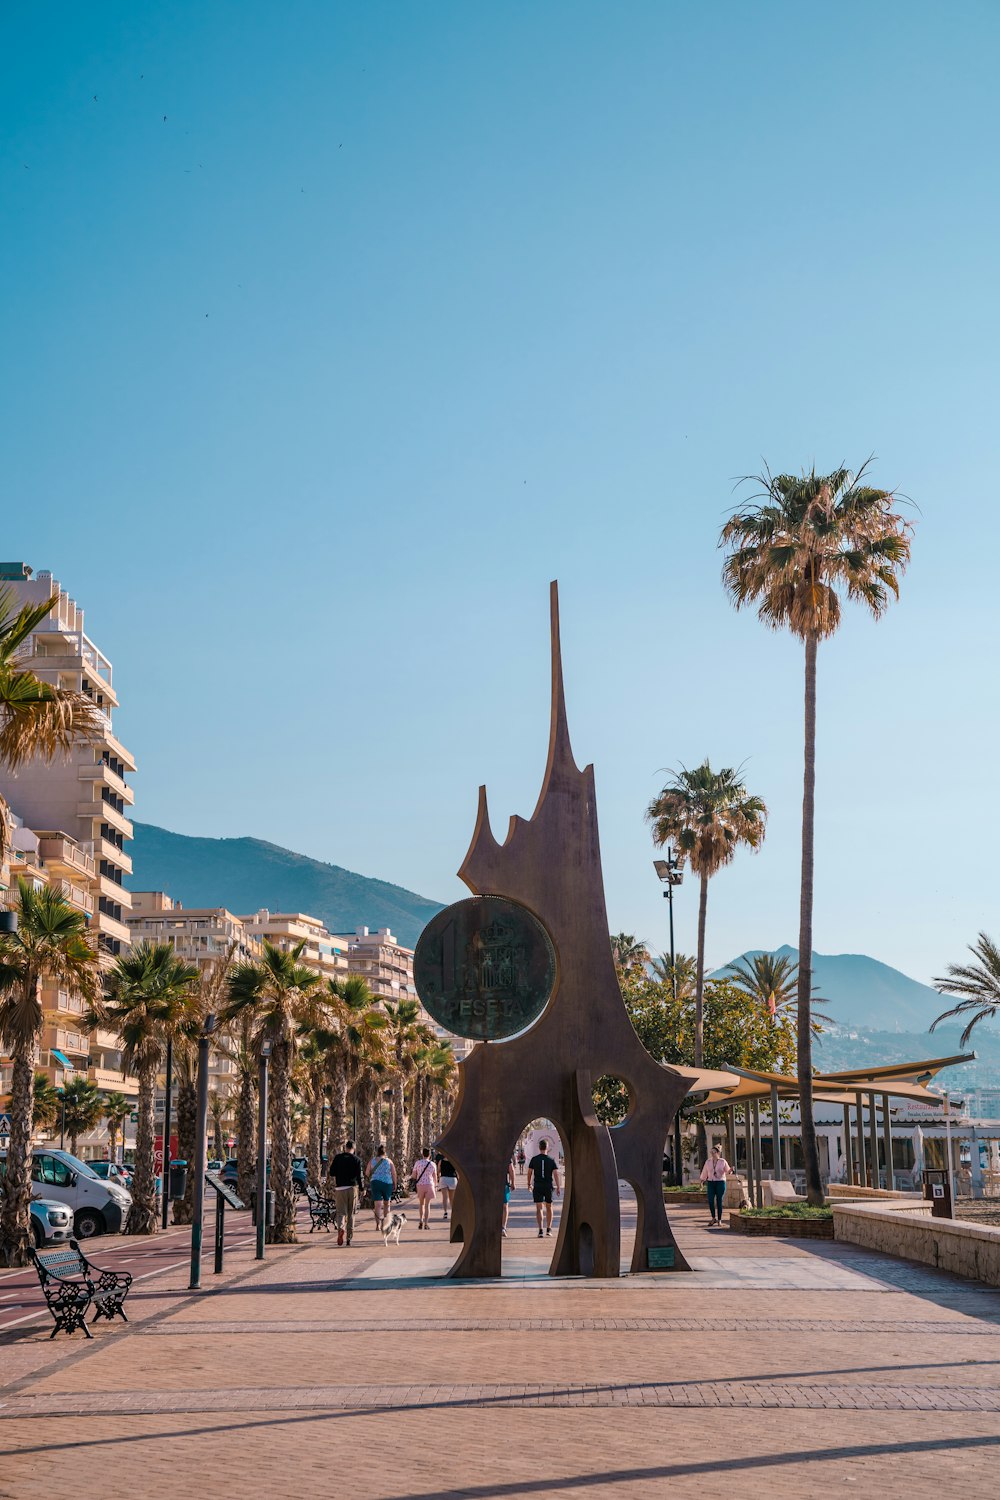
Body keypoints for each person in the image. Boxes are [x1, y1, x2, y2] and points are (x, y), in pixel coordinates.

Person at [327, 1138, 363, 1246]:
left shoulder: (338, 1158)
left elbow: (332, 1172)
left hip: (340, 1189)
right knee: (351, 1213)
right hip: (352, 1188)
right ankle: (349, 1238)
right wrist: (362, 1188)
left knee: (341, 1213)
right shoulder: (357, 1160)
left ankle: (341, 1229)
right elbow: (359, 1176)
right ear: (354, 1149)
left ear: (345, 1148)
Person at [527, 1138, 560, 1237]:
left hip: (537, 1186)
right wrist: (558, 1187)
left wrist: (528, 1184)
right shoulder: (551, 1160)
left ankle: (540, 1230)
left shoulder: (534, 1159)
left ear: (539, 1147)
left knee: (539, 1208)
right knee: (549, 1207)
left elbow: (529, 1172)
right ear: (547, 1147)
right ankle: (549, 1229)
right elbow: (555, 1174)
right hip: (548, 1186)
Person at [700, 1144, 733, 1226]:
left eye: (714, 1152)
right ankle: (713, 1218)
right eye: (711, 1151)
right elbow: (705, 1172)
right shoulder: (708, 1162)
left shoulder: (723, 1161)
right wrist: (702, 1180)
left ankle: (719, 1220)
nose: (712, 1153)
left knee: (719, 1201)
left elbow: (728, 1171)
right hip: (711, 1182)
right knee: (710, 1200)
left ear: (718, 1153)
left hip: (720, 1182)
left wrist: (730, 1171)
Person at [367, 1144, 397, 1231]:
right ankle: (386, 1224)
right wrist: (395, 1183)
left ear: (377, 1152)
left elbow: (367, 1172)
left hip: (375, 1183)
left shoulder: (372, 1161)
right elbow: (394, 1173)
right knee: (387, 1204)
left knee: (377, 1205)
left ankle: (377, 1225)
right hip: (387, 1184)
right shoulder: (389, 1161)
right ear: (385, 1152)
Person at [410, 1146, 438, 1228]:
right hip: (429, 1185)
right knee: (427, 1205)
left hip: (420, 1185)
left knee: (421, 1204)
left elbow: (413, 1175)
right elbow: (435, 1176)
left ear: (422, 1154)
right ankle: (426, 1223)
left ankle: (420, 1220)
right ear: (429, 1155)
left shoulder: (418, 1163)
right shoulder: (433, 1164)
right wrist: (435, 1186)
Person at [437, 1153, 458, 1221]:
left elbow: (438, 1171)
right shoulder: (454, 1161)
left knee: (445, 1197)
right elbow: (457, 1171)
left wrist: (438, 1177)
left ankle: (445, 1212)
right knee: (451, 1198)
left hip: (444, 1179)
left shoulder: (441, 1161)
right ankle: (453, 1212)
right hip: (452, 1179)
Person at [502, 1157, 516, 1238]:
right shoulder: (506, 1155)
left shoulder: (489, 1154)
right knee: (505, 1205)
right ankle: (503, 1227)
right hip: (504, 1184)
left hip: (491, 1185)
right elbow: (511, 1170)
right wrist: (513, 1183)